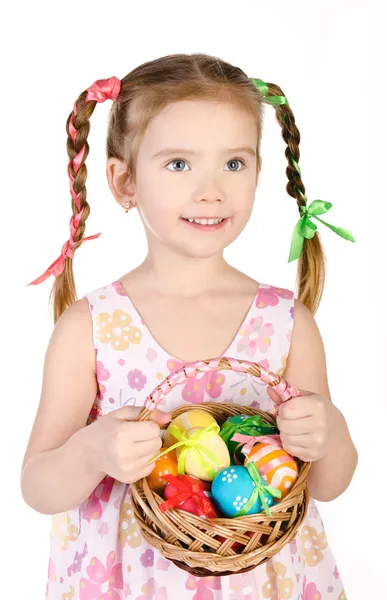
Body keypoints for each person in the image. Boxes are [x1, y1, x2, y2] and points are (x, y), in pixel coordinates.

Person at [20, 52, 357, 600]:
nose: (211, 190)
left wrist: (330, 434)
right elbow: (37, 486)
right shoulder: (92, 326)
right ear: (123, 181)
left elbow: (329, 482)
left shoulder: (285, 322)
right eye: (179, 164)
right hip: (130, 584)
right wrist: (92, 452)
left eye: (234, 163)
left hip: (263, 583)